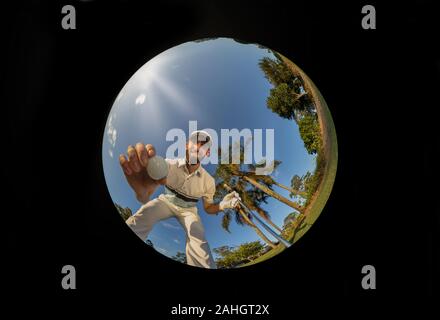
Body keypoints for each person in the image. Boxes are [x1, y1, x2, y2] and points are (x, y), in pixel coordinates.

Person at [119, 130, 241, 269]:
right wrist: (143, 193)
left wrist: (223, 205)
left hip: (189, 210)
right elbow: (150, 178)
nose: (198, 146)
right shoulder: (168, 164)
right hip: (166, 201)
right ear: (186, 145)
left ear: (207, 153)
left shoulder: (209, 182)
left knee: (197, 232)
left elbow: (208, 208)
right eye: (196, 142)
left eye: (204, 146)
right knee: (145, 212)